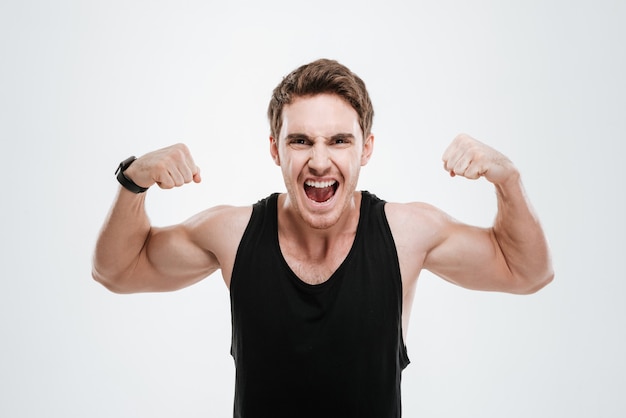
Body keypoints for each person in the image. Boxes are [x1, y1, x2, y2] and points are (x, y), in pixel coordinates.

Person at [92, 58, 553, 417]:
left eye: (338, 141)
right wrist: (133, 181)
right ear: (275, 148)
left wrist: (507, 179)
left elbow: (528, 271)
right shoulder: (233, 235)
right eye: (300, 141)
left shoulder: (405, 234)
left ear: (365, 148)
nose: (318, 162)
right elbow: (116, 269)